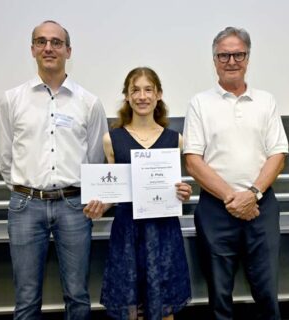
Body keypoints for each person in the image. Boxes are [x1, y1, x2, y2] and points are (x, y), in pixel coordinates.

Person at [0, 20, 108, 319]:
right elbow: (6, 159)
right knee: (27, 298)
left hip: (74, 206)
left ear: (68, 50)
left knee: (77, 295)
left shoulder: (89, 103)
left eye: (56, 42)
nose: (48, 48)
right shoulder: (11, 100)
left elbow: (96, 159)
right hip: (25, 206)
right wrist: (26, 189)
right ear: (32, 49)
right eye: (41, 41)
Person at [183, 27, 289, 320]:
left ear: (248, 58)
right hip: (216, 209)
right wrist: (233, 198)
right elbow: (193, 160)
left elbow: (278, 155)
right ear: (214, 59)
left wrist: (252, 194)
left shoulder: (266, 101)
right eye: (224, 55)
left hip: (261, 207)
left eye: (238, 54)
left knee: (267, 290)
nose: (231, 61)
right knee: (219, 294)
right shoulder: (200, 103)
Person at [84, 67, 192, 320]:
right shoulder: (112, 139)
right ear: (127, 96)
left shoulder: (175, 139)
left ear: (158, 95)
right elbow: (114, 190)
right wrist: (101, 204)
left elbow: (175, 186)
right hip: (127, 232)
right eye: (135, 90)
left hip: (164, 231)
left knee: (164, 304)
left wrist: (183, 192)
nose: (142, 96)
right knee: (132, 308)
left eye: (148, 90)